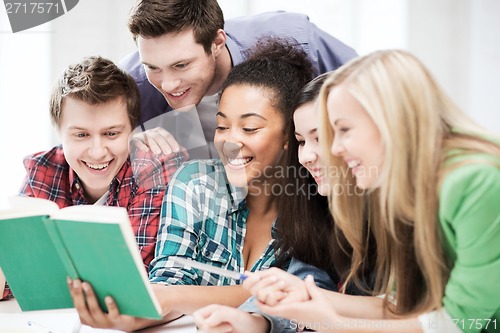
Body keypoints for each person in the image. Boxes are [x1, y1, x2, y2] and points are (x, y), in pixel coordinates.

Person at [239, 50, 500, 333]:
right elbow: (401, 305)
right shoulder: (401, 189)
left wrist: (332, 324)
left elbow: (460, 324)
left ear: (391, 120)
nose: (335, 148)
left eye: (343, 130)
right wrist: (305, 296)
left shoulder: (475, 183)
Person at [67, 38, 314, 331]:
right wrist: (131, 316)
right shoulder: (194, 184)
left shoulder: (315, 205)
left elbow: (300, 298)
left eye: (249, 128)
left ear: (290, 134)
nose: (230, 142)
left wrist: (173, 298)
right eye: (222, 126)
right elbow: (169, 281)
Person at [193, 74, 376, 333]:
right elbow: (309, 282)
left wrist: (327, 316)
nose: (307, 156)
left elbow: (420, 315)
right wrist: (254, 321)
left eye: (320, 138)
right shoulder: (320, 205)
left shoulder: (405, 211)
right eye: (302, 141)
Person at [0, 56, 184, 301]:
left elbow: (129, 278)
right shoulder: (42, 169)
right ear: (59, 133)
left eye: (111, 133)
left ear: (132, 131)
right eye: (81, 135)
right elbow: (15, 272)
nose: (97, 151)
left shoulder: (151, 168)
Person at [121, 0, 357, 157]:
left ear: (217, 43)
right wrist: (127, 148)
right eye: (153, 67)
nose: (168, 83)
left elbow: (373, 102)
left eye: (181, 65)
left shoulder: (298, 41)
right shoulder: (130, 85)